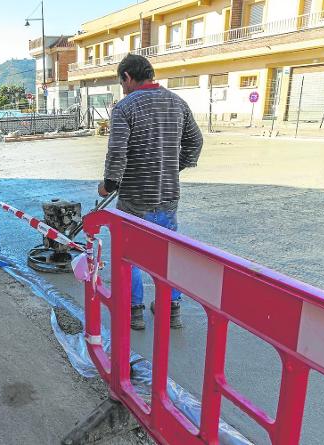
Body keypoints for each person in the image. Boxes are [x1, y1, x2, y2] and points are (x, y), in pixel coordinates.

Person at [98, 54, 203, 330]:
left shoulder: (125, 107)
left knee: (130, 255)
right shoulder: (178, 103)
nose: (123, 88)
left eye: (122, 83)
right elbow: (195, 141)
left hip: (134, 198)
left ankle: (134, 311)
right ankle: (171, 309)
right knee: (168, 253)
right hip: (168, 196)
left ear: (127, 78)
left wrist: (108, 185)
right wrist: (173, 168)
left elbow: (117, 151)